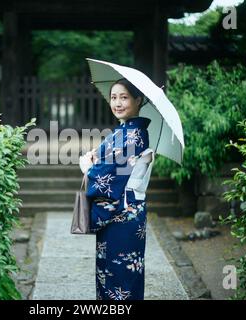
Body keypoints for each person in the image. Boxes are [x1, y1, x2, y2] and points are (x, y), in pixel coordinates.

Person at [79, 78, 153, 300]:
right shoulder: (125, 132)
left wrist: (88, 167)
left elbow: (108, 174)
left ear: (138, 100)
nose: (117, 103)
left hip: (122, 216)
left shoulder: (133, 134)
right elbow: (113, 163)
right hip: (126, 214)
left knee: (119, 278)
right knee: (116, 274)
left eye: (124, 97)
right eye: (113, 97)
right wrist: (98, 154)